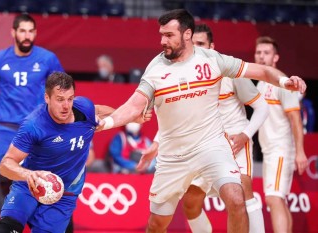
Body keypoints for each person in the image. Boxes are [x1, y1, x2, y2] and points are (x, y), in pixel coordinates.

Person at [97, 9, 306, 233]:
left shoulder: (213, 61)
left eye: (168, 35)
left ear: (187, 34)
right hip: (174, 155)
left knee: (237, 198)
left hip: (213, 146)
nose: (162, 41)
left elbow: (262, 72)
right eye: (161, 35)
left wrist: (285, 81)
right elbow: (134, 106)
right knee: (158, 223)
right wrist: (108, 123)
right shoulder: (156, 69)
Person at [140, 23, 269, 233]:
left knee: (243, 195)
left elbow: (262, 107)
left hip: (236, 141)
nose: (197, 48)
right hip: (203, 144)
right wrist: (156, 143)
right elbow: (177, 117)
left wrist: (245, 135)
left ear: (212, 46)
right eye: (194, 44)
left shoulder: (230, 71)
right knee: (191, 202)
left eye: (201, 44)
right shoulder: (184, 75)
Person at [0, 71, 117, 233]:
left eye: (70, 99)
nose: (66, 106)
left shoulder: (84, 109)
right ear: (47, 98)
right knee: (7, 230)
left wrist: (130, 115)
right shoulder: (33, 124)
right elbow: (5, 165)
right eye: (60, 100)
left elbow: (101, 110)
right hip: (30, 184)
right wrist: (27, 175)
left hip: (64, 192)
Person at [0, 13, 64, 220]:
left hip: (36, 130)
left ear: (35, 33)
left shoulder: (48, 59)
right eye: (22, 31)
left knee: (49, 183)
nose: (27, 35)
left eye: (31, 31)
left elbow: (61, 93)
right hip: (3, 128)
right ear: (13, 32)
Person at [255, 36, 308, 233]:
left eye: (266, 53)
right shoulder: (261, 84)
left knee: (273, 198)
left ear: (275, 57)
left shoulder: (282, 82)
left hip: (280, 148)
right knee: (278, 199)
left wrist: (300, 152)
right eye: (258, 52)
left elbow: (295, 117)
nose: (261, 57)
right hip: (270, 150)